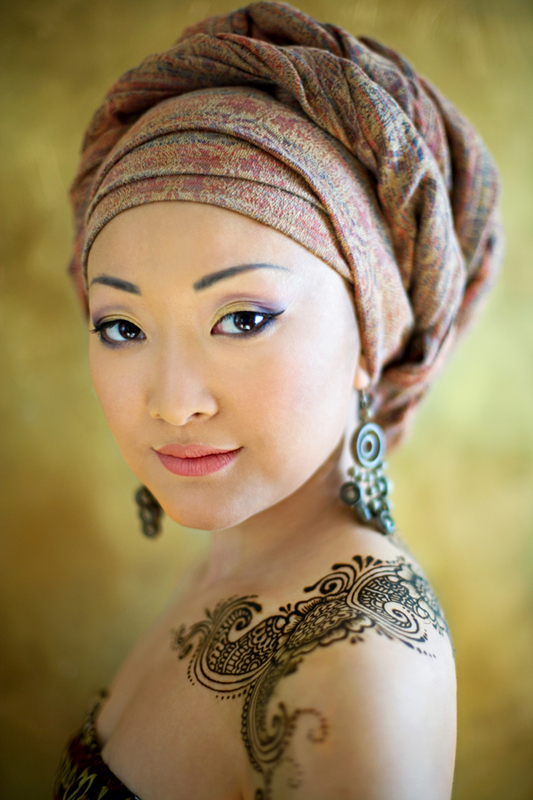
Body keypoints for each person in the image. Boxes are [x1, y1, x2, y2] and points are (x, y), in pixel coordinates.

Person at [53, 2, 502, 799]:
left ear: (368, 340)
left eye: (243, 319)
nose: (172, 403)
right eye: (122, 327)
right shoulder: (232, 563)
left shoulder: (358, 656)